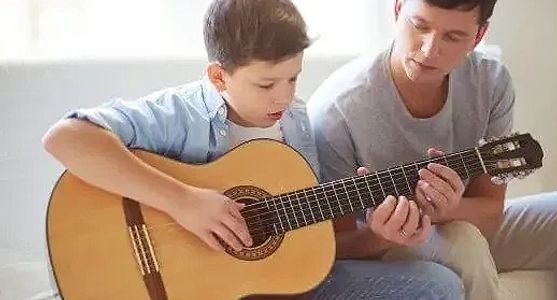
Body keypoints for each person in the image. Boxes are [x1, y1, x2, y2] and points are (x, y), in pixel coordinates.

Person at [42, 0, 463, 299]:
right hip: (192, 287)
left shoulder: (297, 124)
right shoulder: (182, 113)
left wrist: (377, 237)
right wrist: (183, 201)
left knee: (436, 285)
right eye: (266, 84)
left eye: (293, 79)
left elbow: (315, 251)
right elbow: (65, 138)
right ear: (218, 77)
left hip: (270, 287)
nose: (283, 98)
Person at [308, 0, 557, 299]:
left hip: (461, 220)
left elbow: (490, 211)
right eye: (419, 26)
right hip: (389, 244)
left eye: (453, 36)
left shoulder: (491, 82)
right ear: (397, 10)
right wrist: (379, 237)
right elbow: (337, 246)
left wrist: (451, 209)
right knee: (463, 241)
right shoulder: (337, 113)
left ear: (479, 35)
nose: (429, 49)